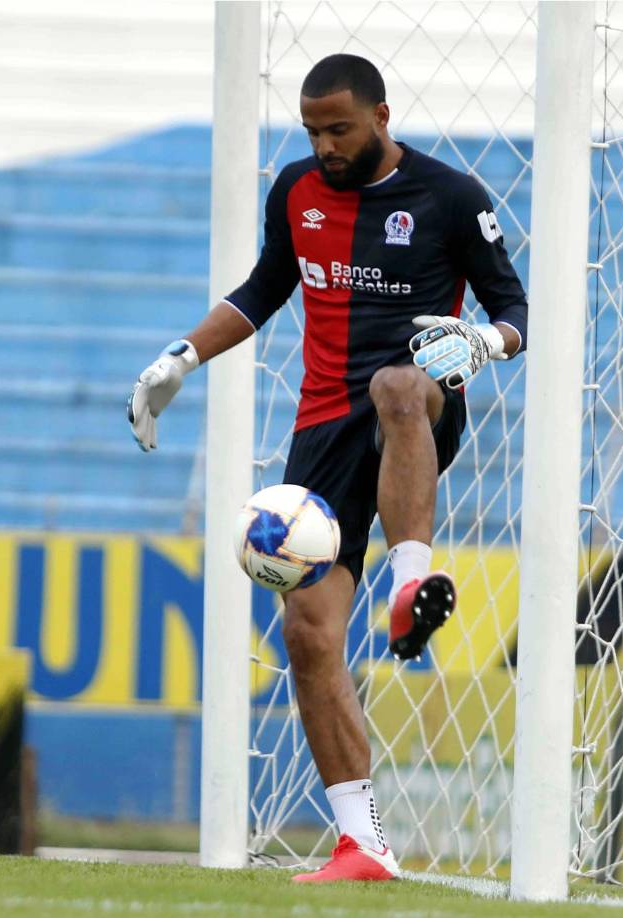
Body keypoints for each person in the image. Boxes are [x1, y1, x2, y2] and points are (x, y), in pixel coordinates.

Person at [128, 53, 527, 883]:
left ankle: (409, 580)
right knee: (308, 635)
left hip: (418, 406)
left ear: (382, 115)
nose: (324, 146)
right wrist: (181, 357)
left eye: (338, 129)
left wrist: (484, 343)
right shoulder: (298, 193)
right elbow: (266, 286)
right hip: (321, 431)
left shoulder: (449, 198)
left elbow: (511, 306)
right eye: (312, 131)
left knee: (393, 384)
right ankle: (363, 842)